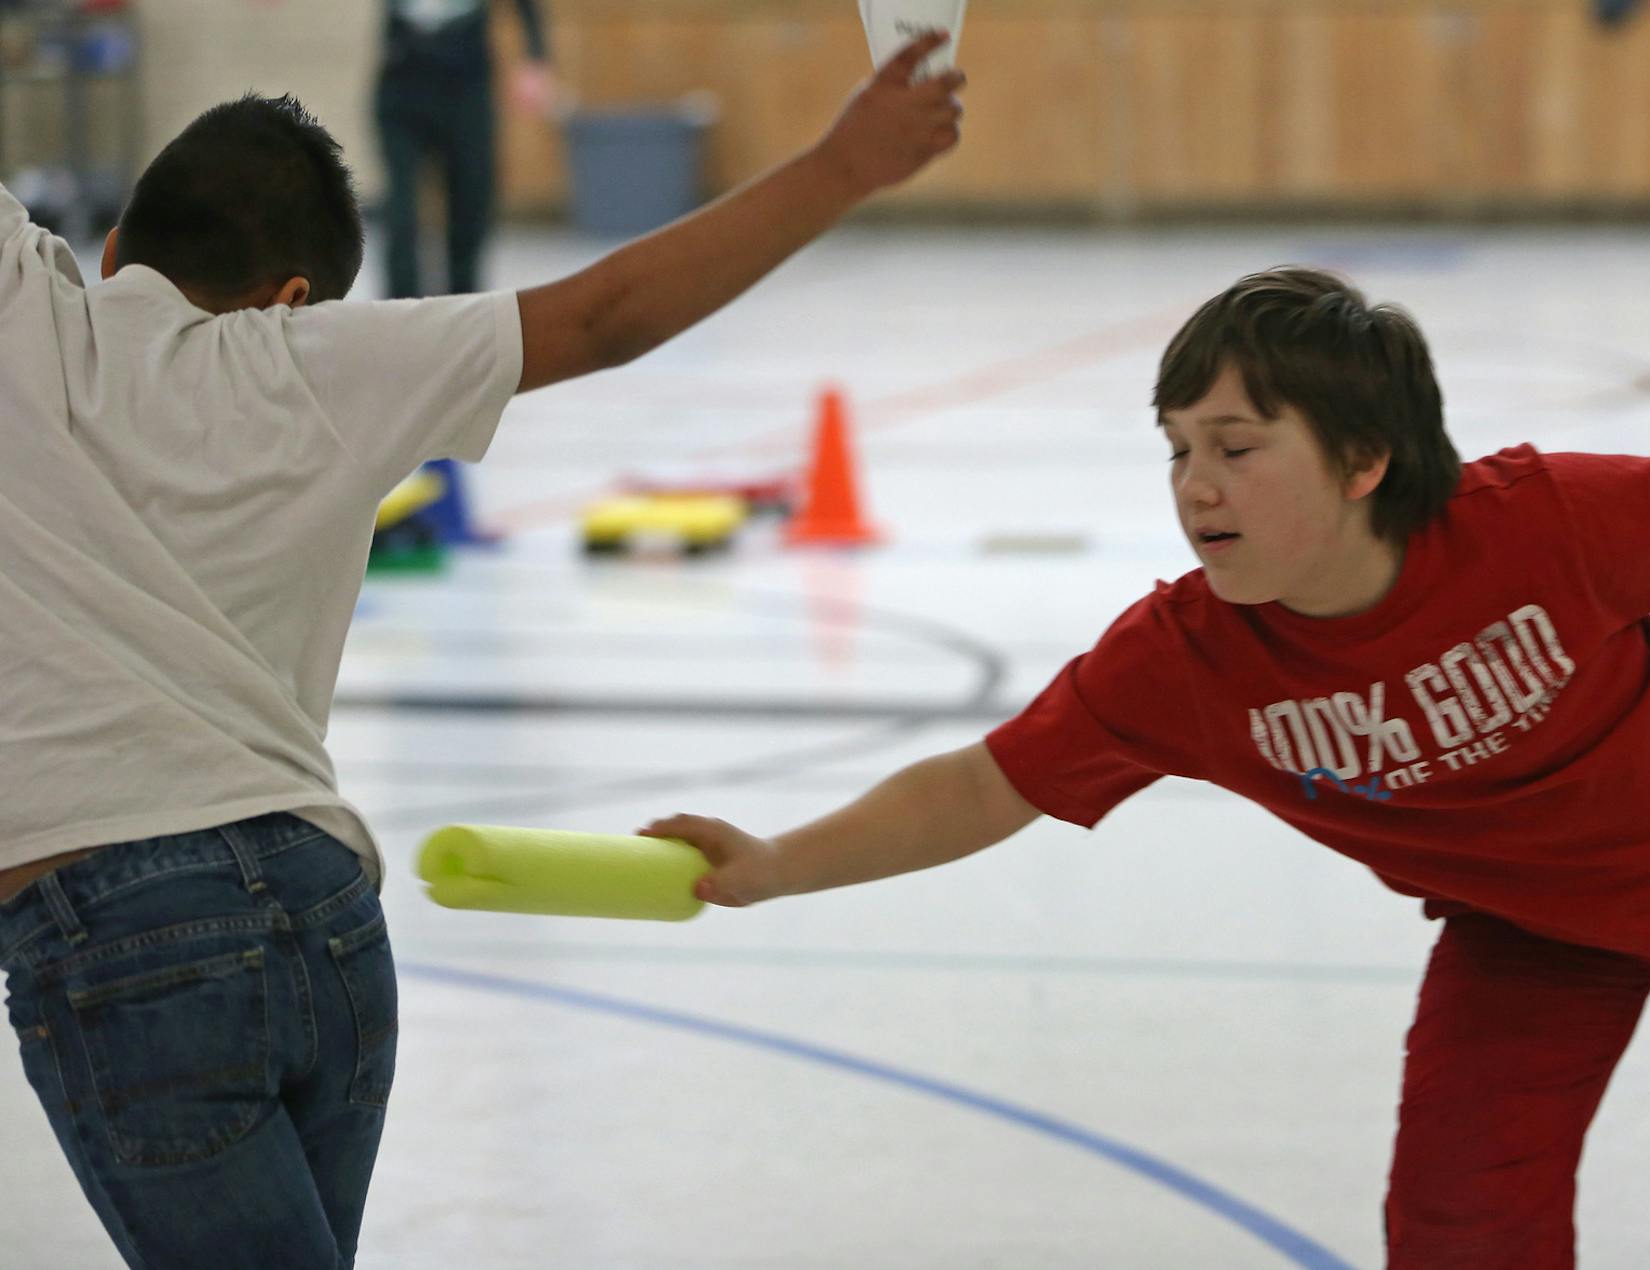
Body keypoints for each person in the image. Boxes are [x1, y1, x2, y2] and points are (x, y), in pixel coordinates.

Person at [640, 269, 1650, 1267]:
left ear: (1360, 460)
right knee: (1459, 1219)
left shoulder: (1537, 523)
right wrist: (774, 863)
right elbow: (983, 782)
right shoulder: (1186, 659)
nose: (1194, 485)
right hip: (1531, 924)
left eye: (1234, 444)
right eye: (1174, 450)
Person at [0, 35, 963, 1269]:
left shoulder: (27, 312)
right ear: (297, 297)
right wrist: (840, 164)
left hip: (120, 946)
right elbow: (608, 314)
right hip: (323, 910)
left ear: (120, 251)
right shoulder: (319, 365)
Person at [376, 0, 554, 300]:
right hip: (403, 74)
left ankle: (463, 304)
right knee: (401, 210)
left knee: (470, 200)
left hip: (466, 80)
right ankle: (398, 310)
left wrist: (535, 58)